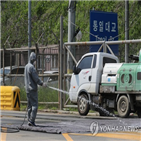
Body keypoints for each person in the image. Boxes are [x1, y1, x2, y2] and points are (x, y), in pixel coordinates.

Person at [24, 52, 46, 126]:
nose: (35, 61)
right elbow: (36, 78)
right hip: (32, 89)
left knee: (29, 105)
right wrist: (42, 83)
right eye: (35, 60)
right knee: (34, 105)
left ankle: (29, 119)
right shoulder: (31, 67)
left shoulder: (26, 66)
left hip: (27, 89)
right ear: (33, 59)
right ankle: (32, 120)